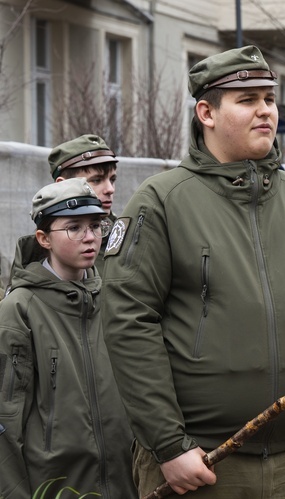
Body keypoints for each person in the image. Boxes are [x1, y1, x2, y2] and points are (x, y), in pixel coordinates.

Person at [101, 45, 285, 497]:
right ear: (206, 112)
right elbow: (128, 323)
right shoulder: (162, 201)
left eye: (268, 99)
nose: (265, 111)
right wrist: (169, 445)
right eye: (246, 100)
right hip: (203, 461)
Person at [0, 178, 136, 498]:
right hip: (55, 487)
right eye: (74, 227)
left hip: (127, 483)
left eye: (95, 225)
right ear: (43, 238)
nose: (90, 238)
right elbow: (5, 420)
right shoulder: (18, 311)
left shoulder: (118, 301)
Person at [48, 134, 119, 263]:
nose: (110, 189)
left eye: (112, 180)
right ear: (63, 185)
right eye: (96, 180)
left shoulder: (125, 237)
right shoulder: (42, 250)